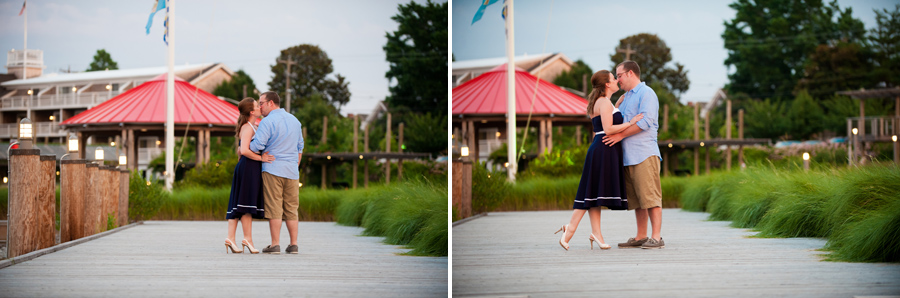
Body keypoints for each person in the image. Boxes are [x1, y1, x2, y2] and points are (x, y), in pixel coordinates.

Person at [555, 70, 643, 250]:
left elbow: (609, 113)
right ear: (606, 84)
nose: (617, 80)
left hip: (604, 149)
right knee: (589, 193)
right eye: (613, 78)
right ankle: (570, 229)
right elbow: (609, 129)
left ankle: (597, 234)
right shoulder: (602, 102)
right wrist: (631, 122)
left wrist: (617, 103)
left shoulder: (604, 101)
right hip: (603, 148)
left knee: (594, 194)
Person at [602, 60, 665, 249]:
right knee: (638, 199)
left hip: (644, 153)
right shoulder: (626, 97)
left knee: (651, 197)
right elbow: (615, 120)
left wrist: (620, 135)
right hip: (628, 156)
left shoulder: (647, 93)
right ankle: (641, 236)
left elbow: (646, 122)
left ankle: (657, 237)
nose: (618, 79)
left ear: (630, 73)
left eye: (619, 75)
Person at [249, 91, 304, 254]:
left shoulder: (267, 122)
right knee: (292, 208)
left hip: (273, 168)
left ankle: (275, 244)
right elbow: (300, 146)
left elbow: (256, 146)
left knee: (274, 207)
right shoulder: (295, 120)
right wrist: (295, 163)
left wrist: (248, 144)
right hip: (292, 171)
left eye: (261, 103)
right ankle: (293, 244)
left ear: (271, 103)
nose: (260, 107)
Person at [225, 97, 275, 254]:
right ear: (252, 112)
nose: (261, 107)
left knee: (239, 204)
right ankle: (247, 239)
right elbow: (245, 150)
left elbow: (241, 150)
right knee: (246, 205)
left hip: (248, 167)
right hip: (248, 168)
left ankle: (231, 238)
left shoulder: (252, 126)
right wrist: (262, 158)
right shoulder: (247, 127)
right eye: (257, 106)